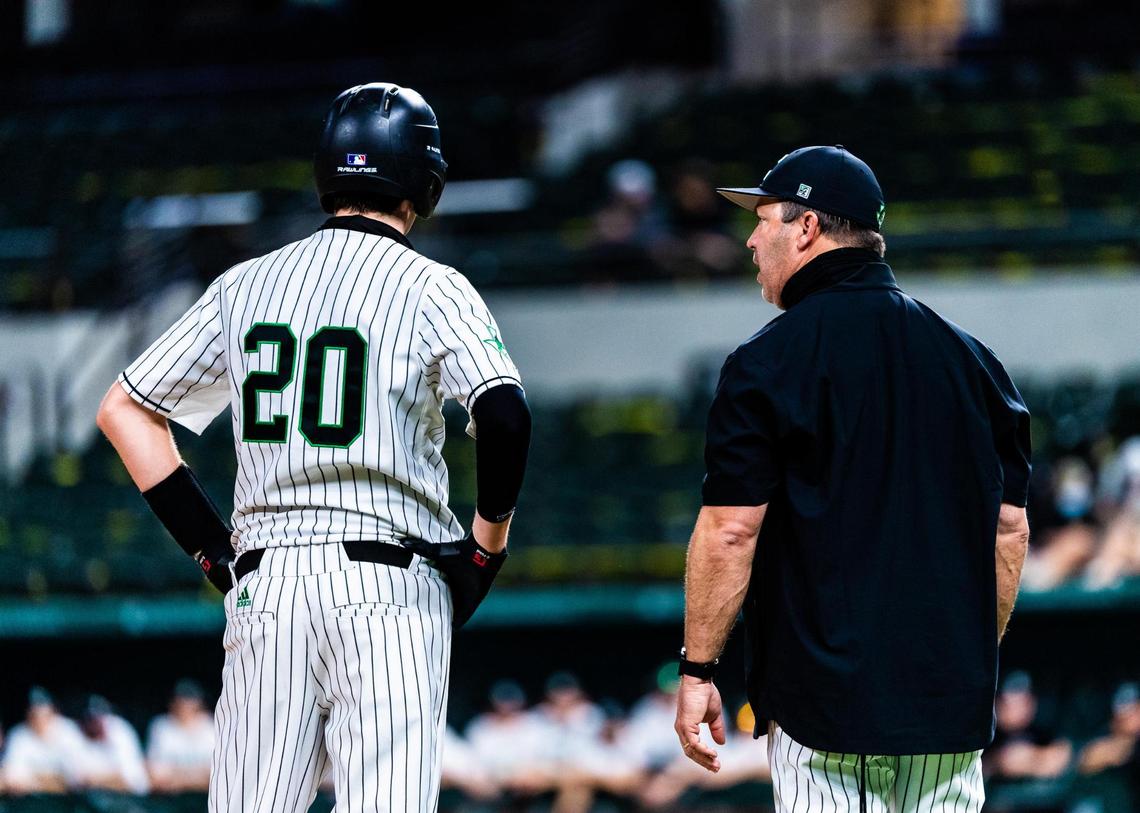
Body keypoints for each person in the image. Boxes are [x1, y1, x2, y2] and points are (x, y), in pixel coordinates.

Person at [96, 82, 532, 812]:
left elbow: (125, 410)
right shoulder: (432, 286)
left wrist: (217, 554)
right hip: (389, 586)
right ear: (426, 181)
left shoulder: (246, 285)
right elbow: (505, 414)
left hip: (268, 584)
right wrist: (487, 547)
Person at [674, 145, 1032, 812]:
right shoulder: (977, 362)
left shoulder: (767, 363)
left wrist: (697, 670)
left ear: (807, 227)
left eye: (764, 217)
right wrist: (957, 651)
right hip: (948, 715)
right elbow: (1008, 529)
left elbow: (729, 530)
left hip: (829, 716)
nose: (751, 237)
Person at [1, 687, 88, 794]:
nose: (38, 717)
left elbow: (82, 777)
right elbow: (13, 780)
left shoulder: (68, 730)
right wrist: (55, 781)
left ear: (53, 711)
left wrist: (37, 780)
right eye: (34, 712)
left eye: (42, 711)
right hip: (33, 799)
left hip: (72, 799)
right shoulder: (19, 734)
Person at [146, 679, 214, 792]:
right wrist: (198, 778)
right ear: (172, 703)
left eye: (190, 701)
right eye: (181, 700)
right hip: (170, 798)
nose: (185, 706)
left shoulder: (211, 726)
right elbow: (155, 777)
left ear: (199, 704)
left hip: (206, 798)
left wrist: (179, 777)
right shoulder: (161, 726)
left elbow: (220, 775)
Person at [76, 695, 150, 795]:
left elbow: (136, 782)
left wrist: (97, 780)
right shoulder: (77, 734)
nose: (95, 723)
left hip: (126, 798)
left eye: (99, 718)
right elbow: (77, 781)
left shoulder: (119, 730)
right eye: (90, 719)